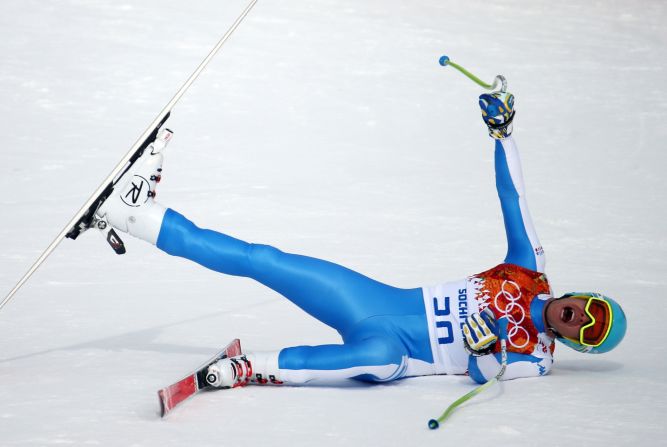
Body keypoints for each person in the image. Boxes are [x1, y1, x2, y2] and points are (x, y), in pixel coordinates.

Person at [95, 90, 626, 388]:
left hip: (398, 351)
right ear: (583, 296)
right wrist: (503, 134)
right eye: (589, 309)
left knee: (358, 361)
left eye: (588, 332)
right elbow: (513, 202)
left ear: (578, 343)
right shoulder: (529, 271)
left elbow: (484, 375)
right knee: (264, 259)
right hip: (378, 301)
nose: (579, 319)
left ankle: (247, 369)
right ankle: (136, 214)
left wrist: (484, 350)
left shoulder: (538, 357)